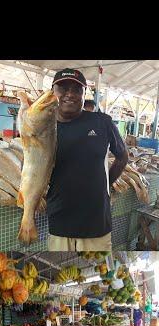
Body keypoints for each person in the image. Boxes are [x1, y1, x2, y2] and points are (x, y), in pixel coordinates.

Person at [46, 68, 129, 251]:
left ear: (84, 93)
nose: (70, 94)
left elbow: (122, 156)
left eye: (77, 89)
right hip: (60, 218)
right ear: (53, 92)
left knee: (98, 265)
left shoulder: (102, 122)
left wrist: (105, 184)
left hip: (96, 221)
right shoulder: (44, 125)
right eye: (63, 88)